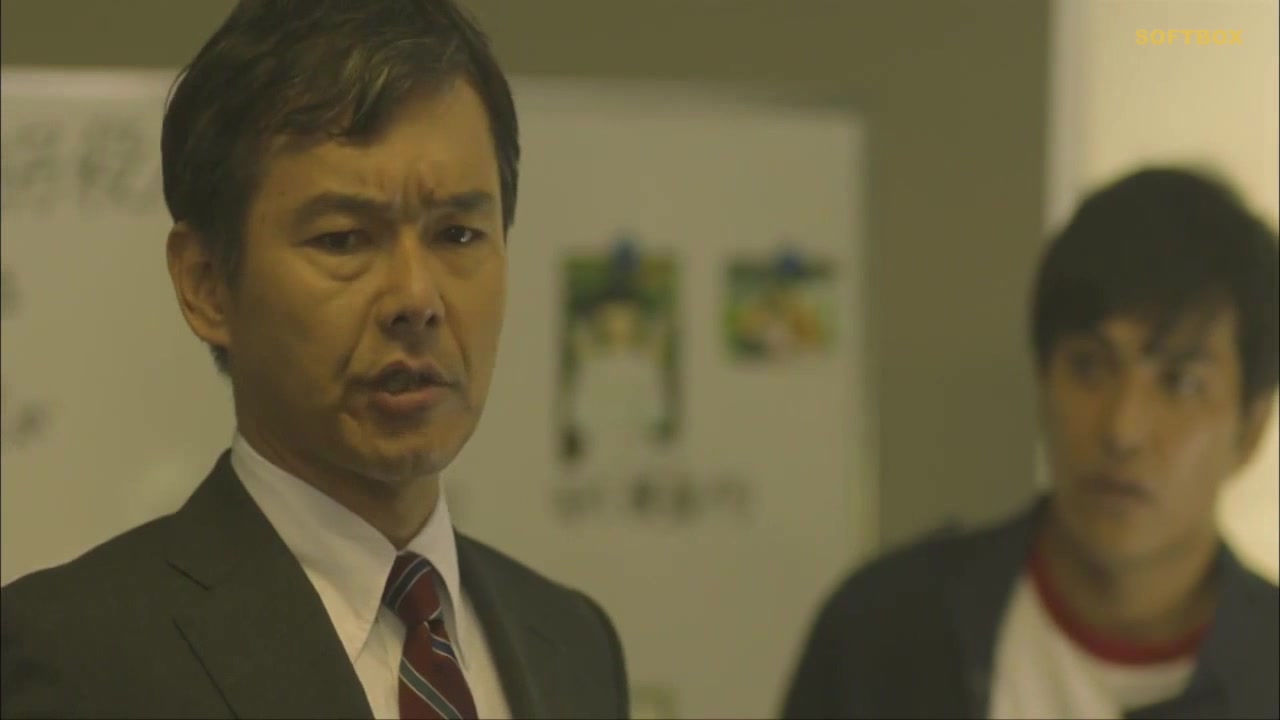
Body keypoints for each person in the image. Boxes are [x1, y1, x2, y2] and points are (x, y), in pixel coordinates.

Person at [0, 2, 629, 718]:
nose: (416, 299)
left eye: (457, 235)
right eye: (343, 239)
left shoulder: (571, 642)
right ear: (206, 284)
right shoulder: (76, 658)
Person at [782, 167, 1279, 719]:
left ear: (1251, 428)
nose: (1123, 430)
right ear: (1043, 382)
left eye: (1181, 384)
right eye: (1088, 367)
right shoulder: (883, 631)